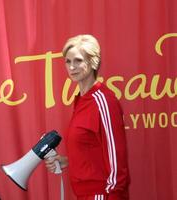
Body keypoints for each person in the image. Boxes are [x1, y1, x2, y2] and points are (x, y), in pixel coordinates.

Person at [45, 35, 129, 200]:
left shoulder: (104, 101)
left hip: (102, 195)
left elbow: (116, 159)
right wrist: (67, 161)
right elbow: (91, 148)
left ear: (93, 62)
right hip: (83, 195)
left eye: (78, 60)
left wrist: (112, 195)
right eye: (68, 61)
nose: (72, 67)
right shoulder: (80, 100)